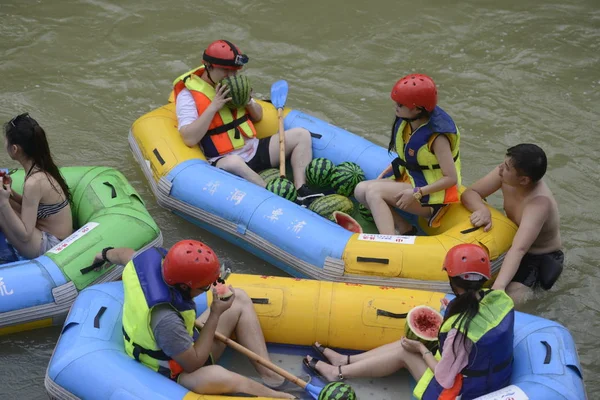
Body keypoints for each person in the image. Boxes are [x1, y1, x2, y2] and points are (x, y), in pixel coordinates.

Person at [303, 244, 514, 400]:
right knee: (407, 343)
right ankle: (345, 361)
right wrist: (448, 310)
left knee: (407, 350)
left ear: (451, 279)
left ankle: (337, 372)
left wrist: (422, 350)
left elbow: (444, 378)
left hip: (463, 392)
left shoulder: (460, 330)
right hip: (491, 378)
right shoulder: (500, 300)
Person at [96, 240, 301, 398]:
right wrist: (215, 313)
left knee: (239, 297)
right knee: (219, 375)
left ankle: (272, 377)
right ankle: (279, 397)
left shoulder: (145, 265)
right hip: (173, 369)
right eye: (204, 287)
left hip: (178, 343)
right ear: (184, 286)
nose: (209, 289)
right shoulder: (166, 319)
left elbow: (123, 254)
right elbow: (194, 364)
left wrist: (103, 254)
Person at [173, 39, 323, 205]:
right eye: (226, 71)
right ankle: (275, 197)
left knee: (301, 135)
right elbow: (189, 138)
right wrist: (214, 106)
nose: (231, 77)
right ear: (208, 66)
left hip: (254, 149)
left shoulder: (236, 86)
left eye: (235, 72)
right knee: (234, 162)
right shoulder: (188, 96)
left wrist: (249, 102)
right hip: (224, 159)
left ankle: (302, 190)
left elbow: (258, 117)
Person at [354, 74, 461, 235]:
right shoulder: (408, 121)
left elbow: (451, 178)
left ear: (418, 109)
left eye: (400, 104)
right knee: (360, 190)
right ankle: (405, 228)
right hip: (413, 179)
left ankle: (388, 243)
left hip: (433, 196)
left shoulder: (438, 138)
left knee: (374, 192)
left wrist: (417, 192)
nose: (396, 107)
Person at [461, 143, 562, 304]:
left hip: (538, 256)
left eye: (507, 167)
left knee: (511, 298)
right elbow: (470, 193)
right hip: (512, 241)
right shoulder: (504, 174)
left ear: (523, 180)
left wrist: (499, 287)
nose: (501, 167)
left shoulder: (538, 204)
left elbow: (519, 249)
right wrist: (482, 209)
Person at [0, 113, 72, 260]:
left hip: (53, 246)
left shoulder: (34, 182)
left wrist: (3, 202)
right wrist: (10, 193)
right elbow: (31, 205)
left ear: (15, 149)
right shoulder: (39, 168)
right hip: (52, 234)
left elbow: (25, 234)